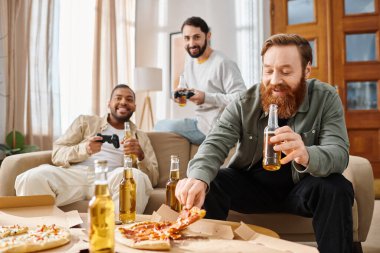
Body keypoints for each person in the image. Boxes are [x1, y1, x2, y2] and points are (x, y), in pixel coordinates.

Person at [175, 34, 354, 253]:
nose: (275, 80)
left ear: (307, 70)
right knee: (213, 180)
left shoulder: (326, 97)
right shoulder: (244, 102)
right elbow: (215, 142)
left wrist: (306, 153)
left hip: (303, 187)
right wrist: (198, 177)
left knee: (337, 187)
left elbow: (339, 153)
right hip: (253, 187)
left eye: (286, 72)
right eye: (268, 70)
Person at [15, 84, 159, 214]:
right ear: (109, 103)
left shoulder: (140, 136)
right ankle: (43, 233)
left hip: (112, 178)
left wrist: (140, 156)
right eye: (118, 98)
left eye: (129, 99)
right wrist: (85, 149)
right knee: (32, 177)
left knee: (135, 177)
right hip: (76, 175)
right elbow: (57, 153)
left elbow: (153, 179)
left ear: (134, 106)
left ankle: (117, 233)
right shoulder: (85, 122)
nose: (123, 102)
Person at [154, 16, 246, 145]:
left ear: (208, 36)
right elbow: (186, 90)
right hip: (201, 122)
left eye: (196, 37)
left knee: (160, 125)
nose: (191, 44)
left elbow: (242, 99)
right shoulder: (190, 63)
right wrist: (178, 96)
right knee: (160, 124)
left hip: (217, 129)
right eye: (187, 38)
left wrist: (206, 97)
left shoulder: (223, 63)